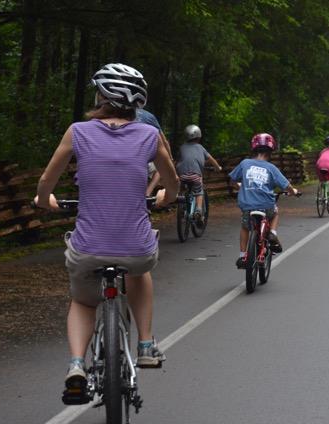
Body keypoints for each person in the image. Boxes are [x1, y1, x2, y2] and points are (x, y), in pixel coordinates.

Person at [34, 63, 179, 401]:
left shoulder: (78, 132)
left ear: (100, 95)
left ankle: (75, 366)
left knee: (84, 301)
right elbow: (171, 185)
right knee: (139, 273)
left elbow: (46, 181)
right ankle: (145, 345)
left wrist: (45, 201)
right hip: (136, 249)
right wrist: (163, 198)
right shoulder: (150, 135)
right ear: (137, 101)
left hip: (88, 248)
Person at [229, 133, 299, 268]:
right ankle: (272, 233)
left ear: (253, 149)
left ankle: (243, 256)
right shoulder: (271, 168)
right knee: (275, 212)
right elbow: (286, 186)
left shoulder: (244, 164)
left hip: (248, 206)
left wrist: (239, 185)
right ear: (271, 151)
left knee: (245, 227)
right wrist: (293, 192)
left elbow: (233, 180)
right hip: (266, 205)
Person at [175, 124, 222, 226]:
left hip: (182, 176)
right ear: (199, 136)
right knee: (199, 192)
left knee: (182, 189)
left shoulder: (182, 147)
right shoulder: (200, 147)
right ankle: (199, 211)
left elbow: (178, 160)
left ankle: (181, 204)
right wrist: (218, 168)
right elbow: (211, 159)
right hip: (195, 176)